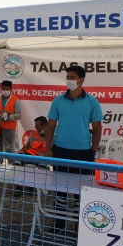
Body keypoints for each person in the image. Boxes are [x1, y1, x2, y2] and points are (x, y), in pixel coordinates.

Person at [44, 65, 102, 235]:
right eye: (67, 76)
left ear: (81, 80)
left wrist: (93, 150)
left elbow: (98, 128)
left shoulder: (92, 102)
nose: (68, 79)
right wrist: (48, 149)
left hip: (83, 153)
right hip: (60, 151)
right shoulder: (58, 100)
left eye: (72, 76)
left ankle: (80, 228)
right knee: (60, 190)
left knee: (81, 193)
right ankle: (59, 225)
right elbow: (50, 125)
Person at [0, 80, 22, 156]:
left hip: (9, 128)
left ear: (11, 89)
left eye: (7, 89)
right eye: (3, 89)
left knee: (9, 148)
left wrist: (9, 116)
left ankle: (11, 166)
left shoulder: (15, 100)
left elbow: (19, 115)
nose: (5, 91)